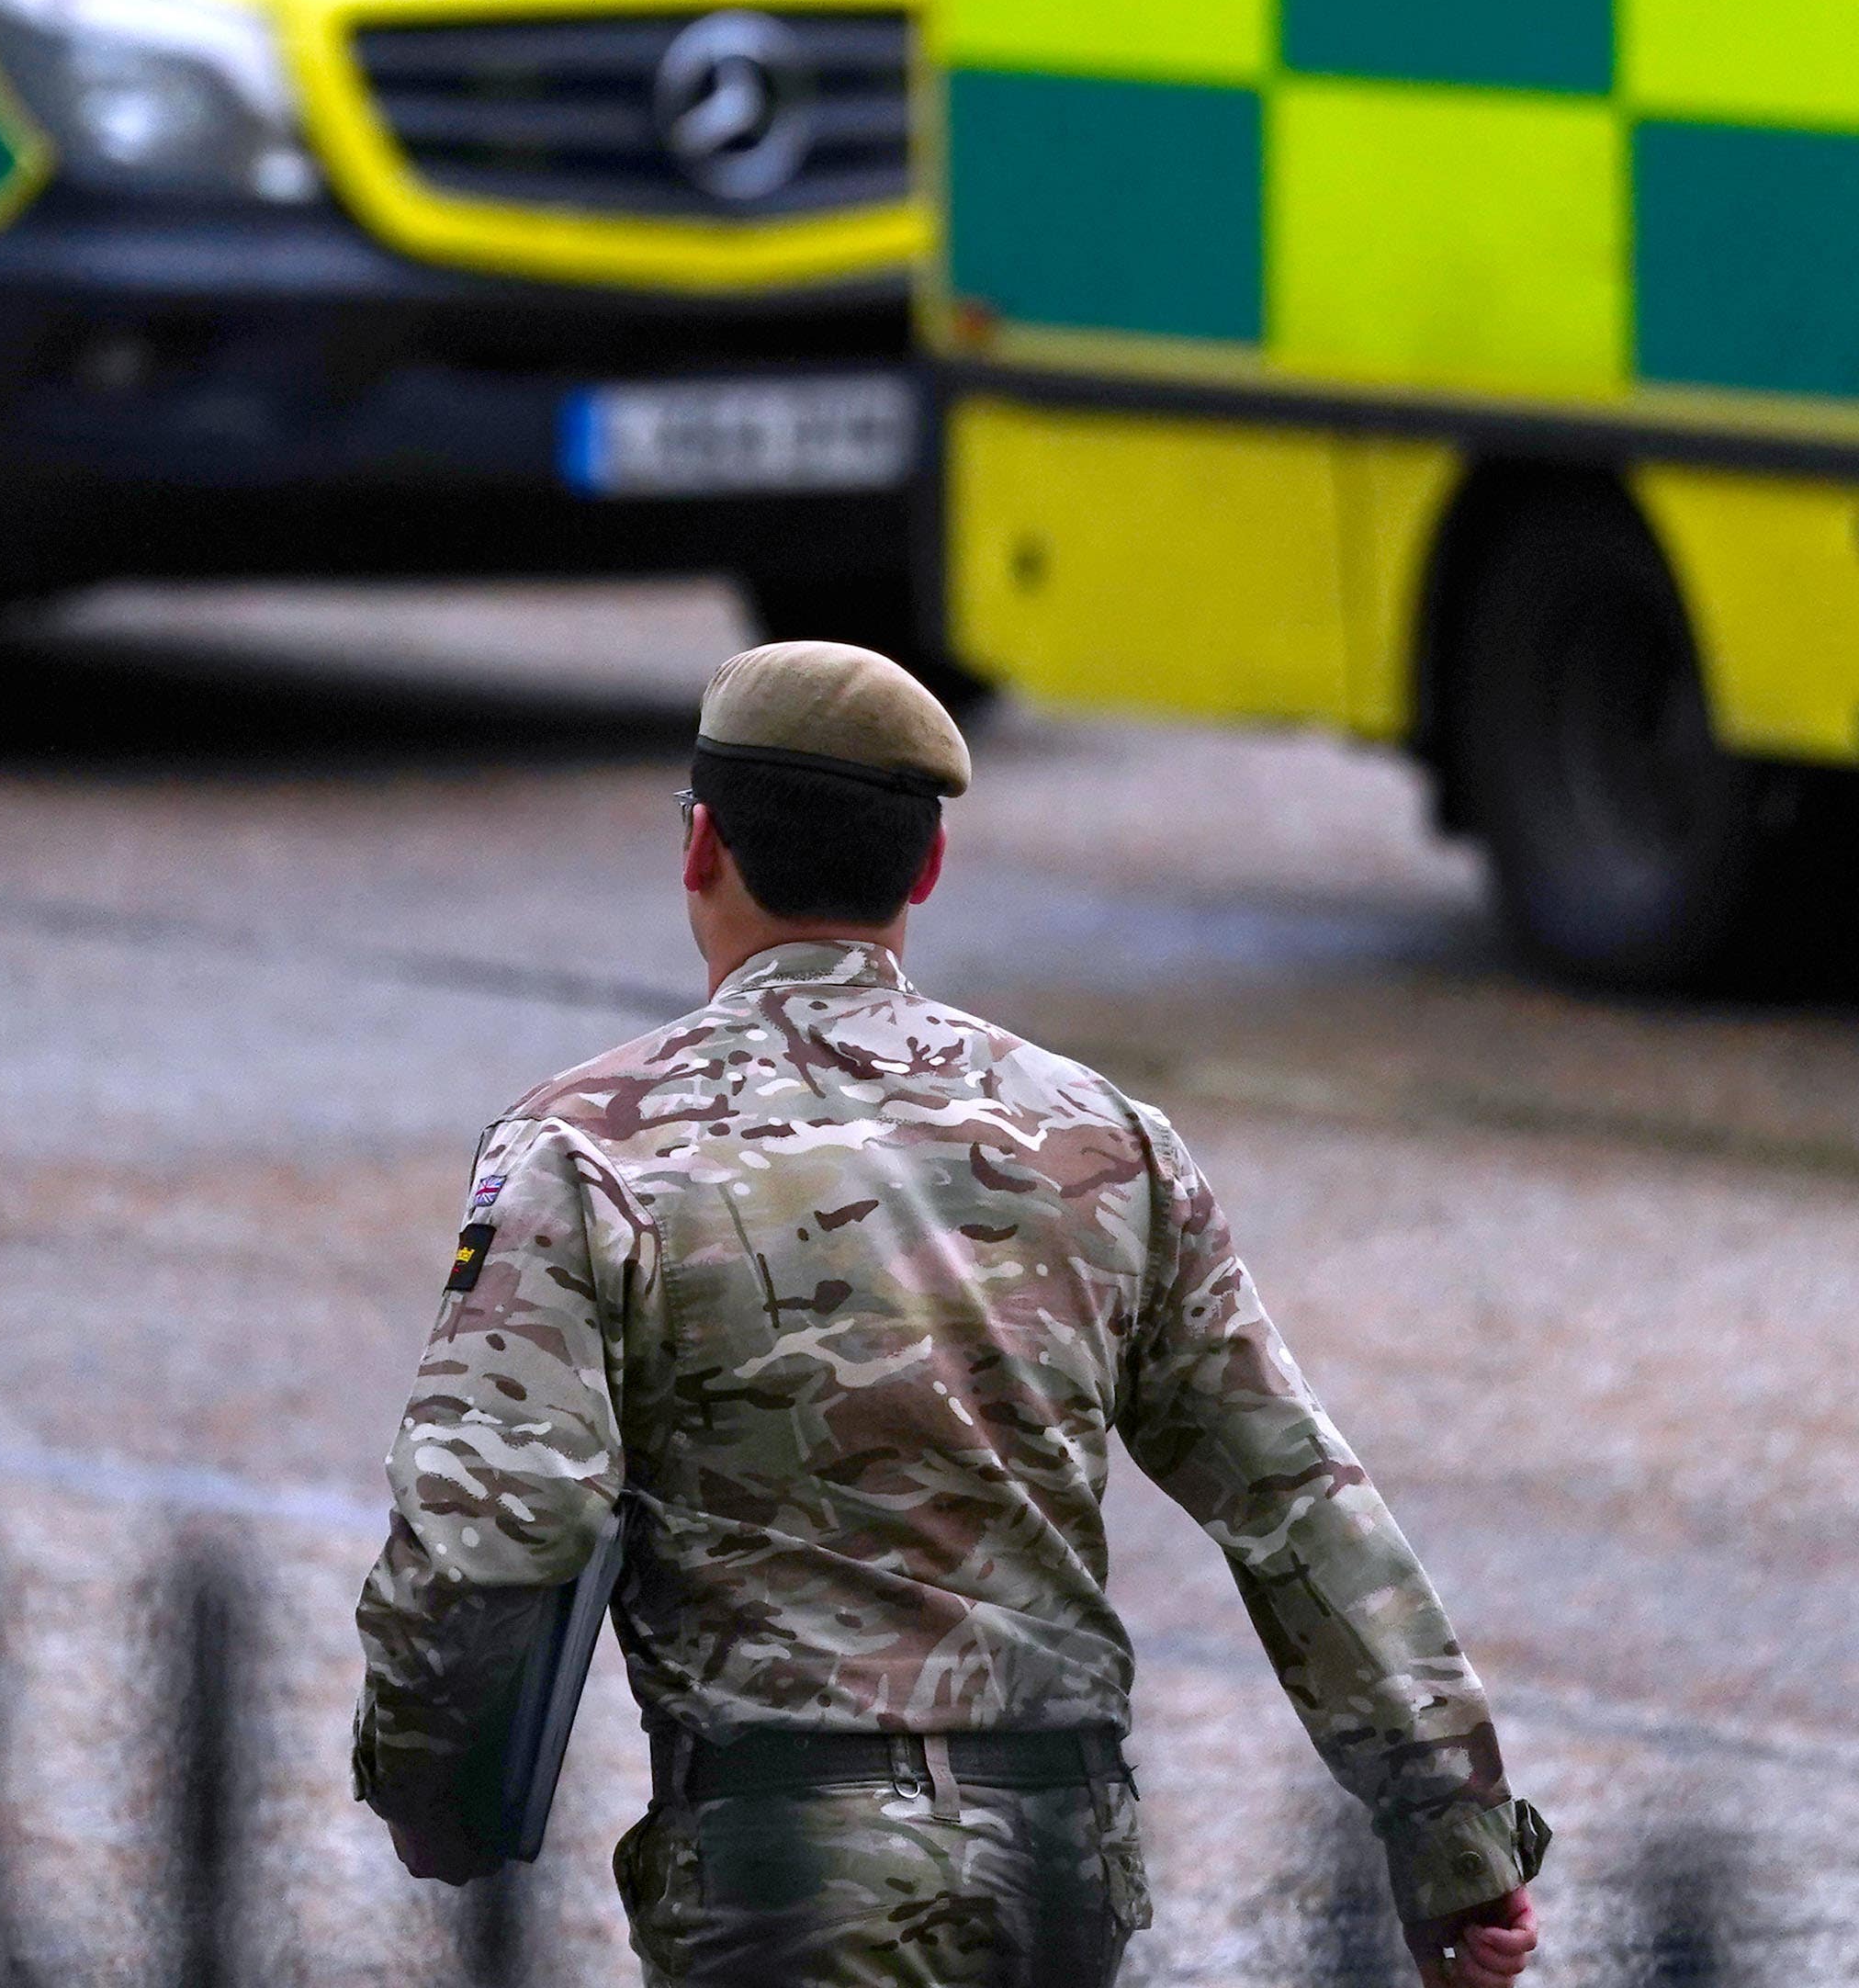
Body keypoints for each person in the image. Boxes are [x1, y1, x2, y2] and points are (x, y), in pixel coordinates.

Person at [354, 639, 1549, 1988]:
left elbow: (494, 1527)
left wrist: (431, 1787)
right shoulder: (1104, 1141)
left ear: (699, 848)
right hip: (1059, 1864)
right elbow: (1294, 1498)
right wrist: (1456, 1835)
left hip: (782, 1876)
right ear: (925, 869)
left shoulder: (587, 1152)